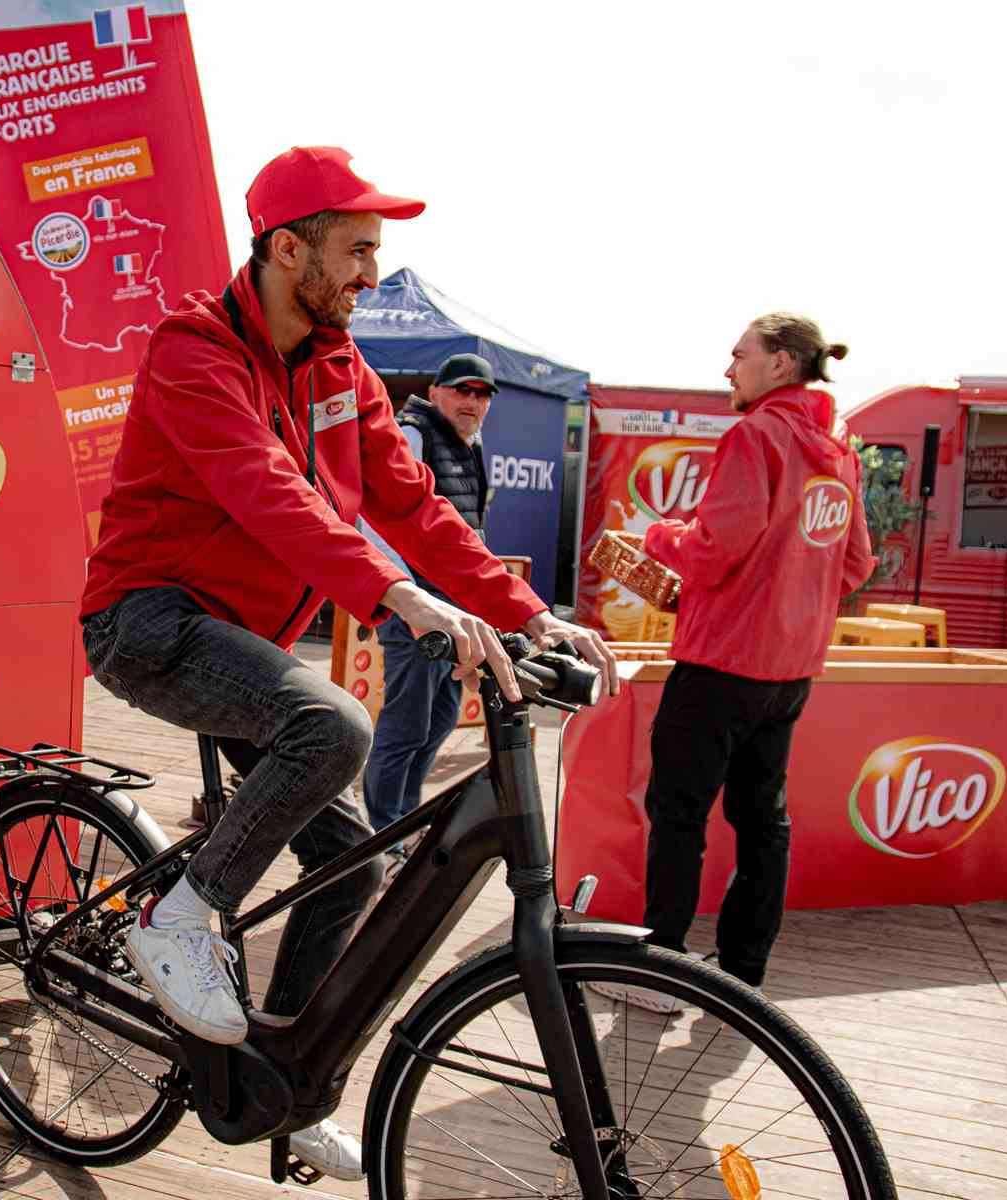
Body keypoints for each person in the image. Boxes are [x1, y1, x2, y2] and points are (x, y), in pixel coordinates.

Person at [79, 145, 616, 1179]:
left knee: (354, 862)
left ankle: (281, 1089)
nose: (372, 273)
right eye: (357, 250)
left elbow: (417, 505)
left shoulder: (338, 369)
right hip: (146, 620)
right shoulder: (193, 351)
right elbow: (264, 490)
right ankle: (180, 914)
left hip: (244, 643)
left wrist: (525, 613)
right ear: (289, 251)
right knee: (335, 727)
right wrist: (396, 594)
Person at [634, 313, 874, 1000]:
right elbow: (854, 562)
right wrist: (794, 592)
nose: (727, 369)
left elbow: (712, 551)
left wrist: (660, 537)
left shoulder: (755, 434)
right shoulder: (837, 447)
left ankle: (658, 969)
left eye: (738, 355)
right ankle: (742, 975)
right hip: (790, 670)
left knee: (679, 814)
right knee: (762, 821)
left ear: (778, 364)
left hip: (720, 662)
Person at [361, 353, 500, 849]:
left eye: (482, 394)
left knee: (440, 717)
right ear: (436, 391)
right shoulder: (414, 434)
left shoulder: (468, 443)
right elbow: (375, 522)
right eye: (462, 390)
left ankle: (401, 818)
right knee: (407, 722)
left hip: (452, 608)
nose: (472, 401)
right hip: (418, 607)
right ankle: (380, 836)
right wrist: (405, 597)